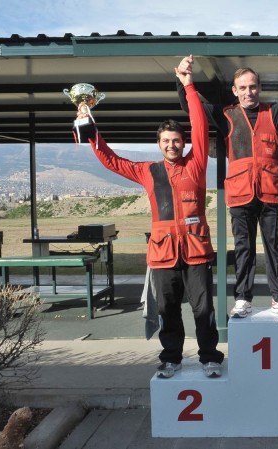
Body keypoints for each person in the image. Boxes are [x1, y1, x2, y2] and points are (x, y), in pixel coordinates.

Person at [78, 55, 224, 379]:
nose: (172, 145)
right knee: (167, 309)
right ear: (158, 145)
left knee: (203, 309)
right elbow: (112, 161)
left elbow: (200, 125)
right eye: (166, 141)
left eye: (177, 140)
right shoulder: (148, 171)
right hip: (163, 253)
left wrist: (188, 85)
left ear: (184, 143)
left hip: (196, 251)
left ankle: (210, 357)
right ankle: (171, 358)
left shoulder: (196, 164)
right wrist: (90, 130)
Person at [175, 53, 278, 318]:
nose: (248, 92)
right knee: (244, 249)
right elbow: (191, 107)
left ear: (260, 87)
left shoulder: (274, 113)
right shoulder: (226, 115)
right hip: (240, 195)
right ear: (235, 91)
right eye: (242, 87)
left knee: (275, 247)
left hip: (270, 194)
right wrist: (184, 80)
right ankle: (243, 298)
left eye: (253, 86)